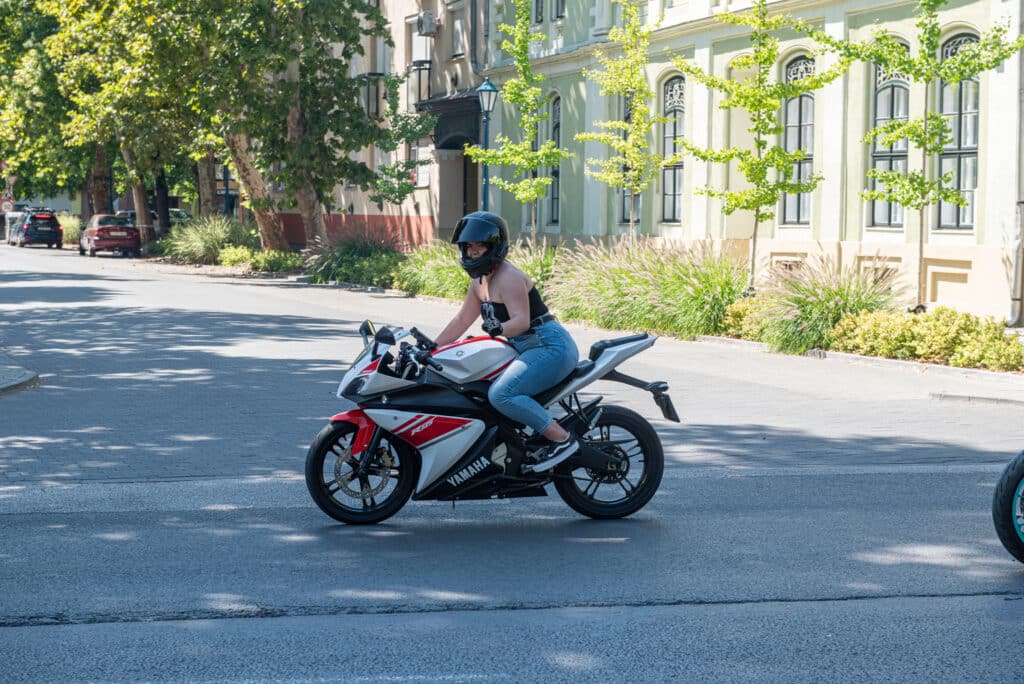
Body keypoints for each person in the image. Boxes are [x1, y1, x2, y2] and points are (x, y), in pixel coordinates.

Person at [434, 211, 580, 472]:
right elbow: (461, 320)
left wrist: (499, 328)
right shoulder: (479, 283)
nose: (473, 252)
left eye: (479, 246)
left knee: (502, 394)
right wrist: (431, 348)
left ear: (494, 247)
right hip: (524, 348)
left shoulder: (509, 277)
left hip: (548, 346)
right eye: (468, 246)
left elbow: (521, 322)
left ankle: (562, 439)